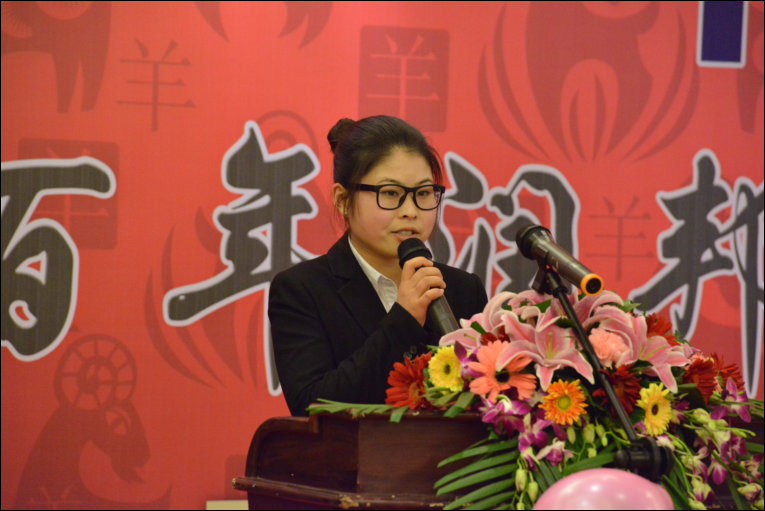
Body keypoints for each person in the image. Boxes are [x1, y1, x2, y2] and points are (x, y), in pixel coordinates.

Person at [268, 116, 489, 417]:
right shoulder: (302, 290)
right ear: (342, 200)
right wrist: (404, 319)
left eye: (423, 193)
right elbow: (312, 406)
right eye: (390, 194)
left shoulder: (463, 289)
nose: (410, 211)